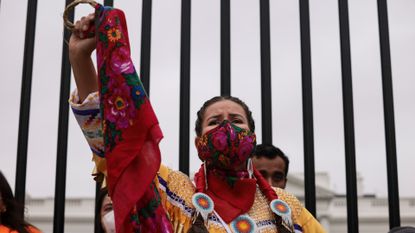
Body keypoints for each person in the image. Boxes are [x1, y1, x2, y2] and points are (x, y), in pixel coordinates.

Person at [67, 3, 326, 232]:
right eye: (214, 122)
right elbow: (119, 147)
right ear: (199, 143)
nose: (226, 126)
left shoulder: (287, 207)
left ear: (252, 136)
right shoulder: (174, 191)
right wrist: (80, 58)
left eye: (236, 120)